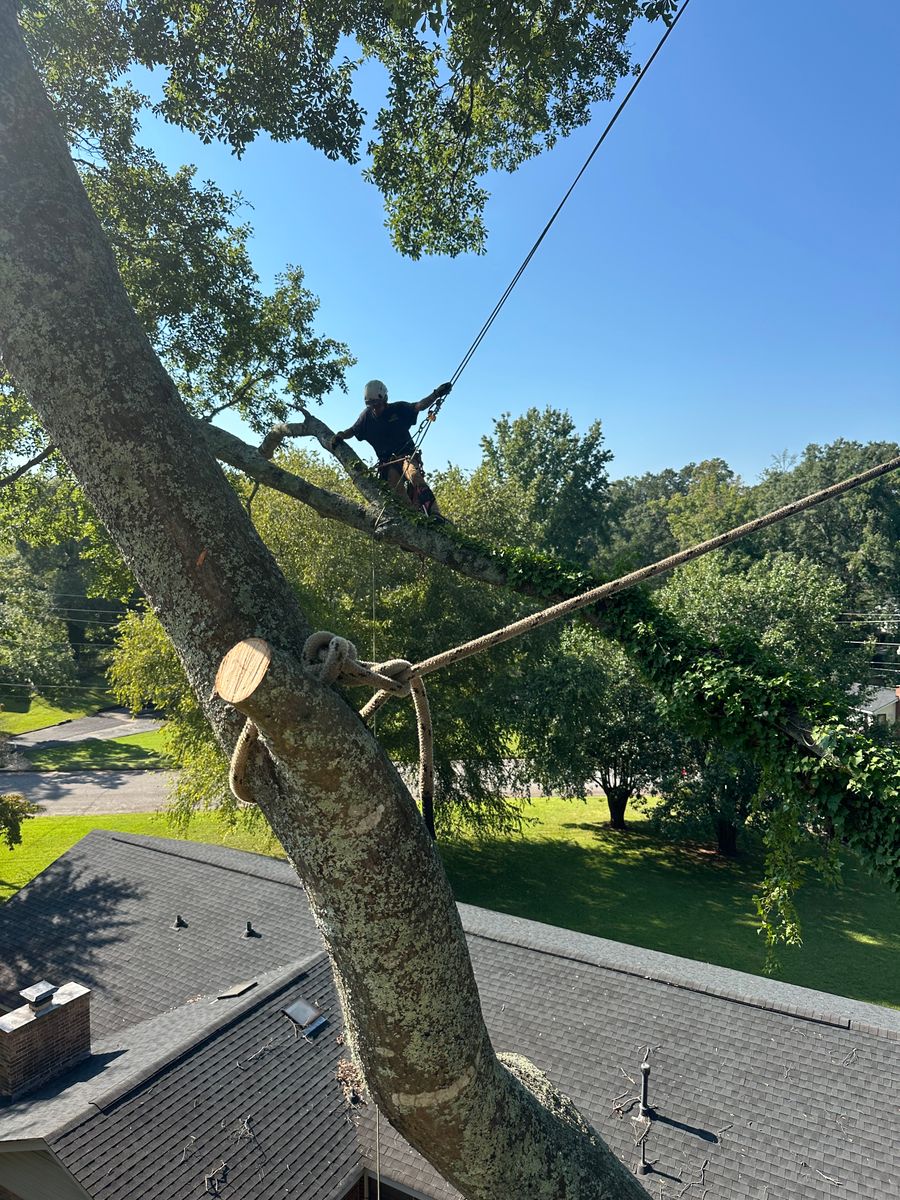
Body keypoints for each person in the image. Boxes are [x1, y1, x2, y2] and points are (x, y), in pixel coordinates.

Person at [331, 378, 452, 518]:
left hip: (407, 455)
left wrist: (436, 394)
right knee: (396, 491)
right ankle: (413, 518)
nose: (376, 408)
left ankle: (434, 513)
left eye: (378, 404)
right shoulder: (366, 417)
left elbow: (418, 406)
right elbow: (352, 431)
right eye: (373, 406)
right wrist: (340, 436)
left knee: (413, 475)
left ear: (384, 399)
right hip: (388, 463)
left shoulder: (398, 409)